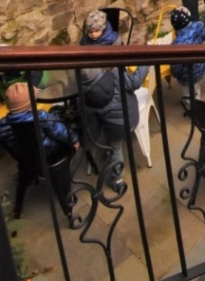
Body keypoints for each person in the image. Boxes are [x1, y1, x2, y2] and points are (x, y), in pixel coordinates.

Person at [81, 63, 149, 193]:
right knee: (115, 147)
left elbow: (93, 124)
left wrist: (89, 140)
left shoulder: (85, 96)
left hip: (115, 128)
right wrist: (145, 62)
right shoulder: (115, 75)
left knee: (115, 148)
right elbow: (135, 82)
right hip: (131, 119)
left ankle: (117, 178)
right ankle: (117, 177)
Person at [0, 81, 79, 164]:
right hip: (49, 153)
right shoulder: (40, 117)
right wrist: (74, 139)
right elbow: (60, 132)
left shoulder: (3, 124)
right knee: (60, 118)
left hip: (26, 158)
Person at [169, 7, 205, 98]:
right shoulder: (197, 27)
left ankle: (189, 102)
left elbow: (176, 65)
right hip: (199, 69)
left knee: (188, 92)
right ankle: (197, 99)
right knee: (196, 87)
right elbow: (204, 35)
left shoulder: (177, 44)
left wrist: (175, 73)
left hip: (186, 76)